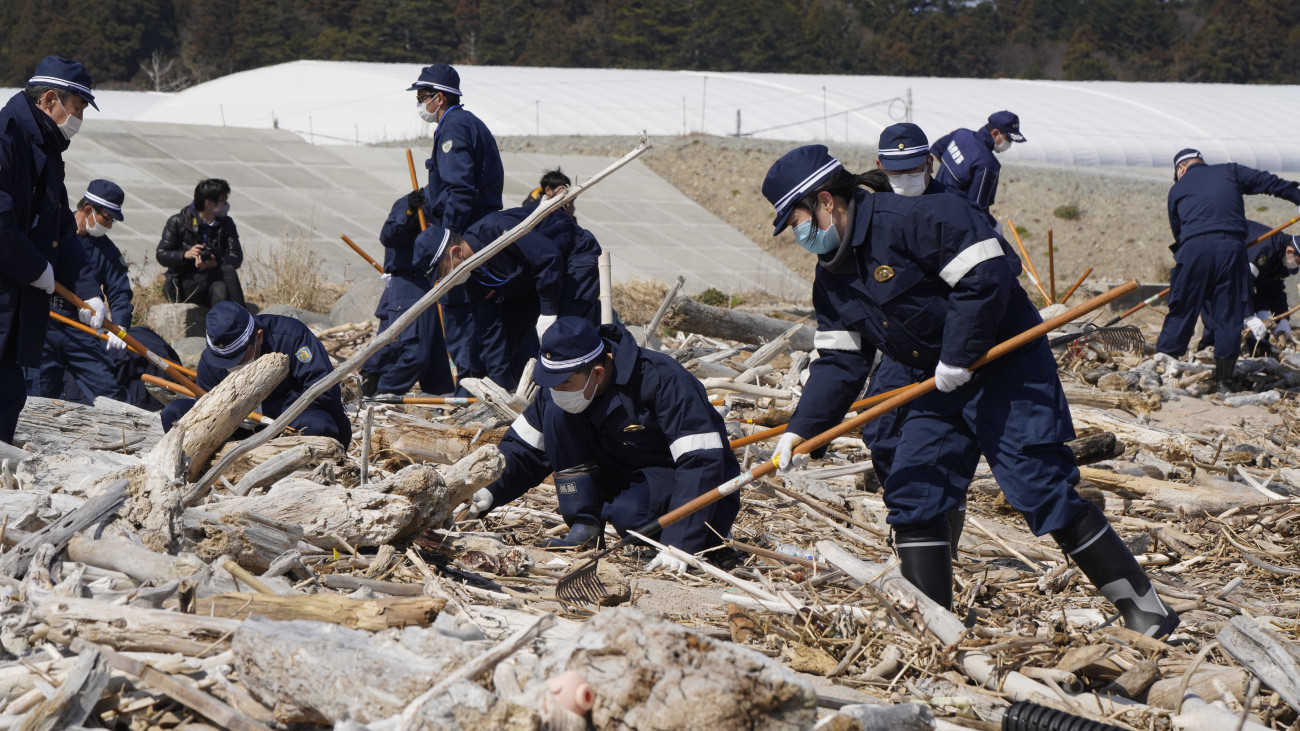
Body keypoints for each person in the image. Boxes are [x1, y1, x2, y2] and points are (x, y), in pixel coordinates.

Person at [762, 145, 1178, 637]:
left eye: (797, 221)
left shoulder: (917, 217)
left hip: (1003, 366)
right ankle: (936, 627)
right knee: (915, 491)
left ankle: (1147, 610)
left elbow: (986, 278)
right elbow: (840, 361)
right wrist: (802, 429)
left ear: (825, 202)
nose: (799, 234)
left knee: (1040, 487)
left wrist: (958, 354)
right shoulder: (832, 278)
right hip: (935, 381)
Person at [455, 317, 739, 559]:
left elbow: (701, 463)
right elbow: (524, 449)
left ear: (598, 373)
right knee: (555, 412)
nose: (556, 390)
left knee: (630, 515)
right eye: (550, 382)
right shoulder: (559, 387)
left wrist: (679, 544)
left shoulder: (663, 380)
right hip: (621, 480)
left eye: (565, 383)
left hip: (687, 491)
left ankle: (698, 541)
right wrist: (484, 491)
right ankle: (585, 528)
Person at [0, 56, 104, 444]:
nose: (79, 120)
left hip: (15, 303)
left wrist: (88, 291)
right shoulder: (6, 138)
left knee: (10, 394)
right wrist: (35, 268)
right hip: (7, 288)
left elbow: (61, 227)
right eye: (77, 108)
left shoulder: (48, 151)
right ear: (49, 100)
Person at [1156, 149, 1300, 393]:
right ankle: (1224, 381)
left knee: (1183, 308)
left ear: (1181, 169)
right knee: (1229, 312)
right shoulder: (1230, 171)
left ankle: (1161, 369)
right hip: (1231, 248)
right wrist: (1297, 196)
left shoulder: (1176, 189)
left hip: (1193, 249)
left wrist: (1192, 256)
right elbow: (1268, 182)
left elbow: (1178, 233)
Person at [419, 205, 603, 391]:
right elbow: (489, 327)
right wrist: (502, 387)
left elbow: (548, 257)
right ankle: (506, 390)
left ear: (456, 252)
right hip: (532, 281)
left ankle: (579, 391)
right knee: (486, 349)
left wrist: (549, 310)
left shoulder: (497, 229)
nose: (445, 280)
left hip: (571, 258)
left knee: (566, 336)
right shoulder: (473, 277)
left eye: (443, 272)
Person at [409, 63, 504, 390]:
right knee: (478, 315)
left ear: (439, 97)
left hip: (464, 236)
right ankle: (482, 385)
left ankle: (470, 389)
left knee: (462, 315)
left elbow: (461, 189)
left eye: (423, 96)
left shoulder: (453, 127)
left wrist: (447, 238)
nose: (420, 103)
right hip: (474, 230)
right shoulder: (465, 123)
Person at [160, 302, 351, 445]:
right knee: (174, 414)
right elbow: (203, 407)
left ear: (258, 338)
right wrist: (230, 414)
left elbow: (324, 394)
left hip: (287, 422)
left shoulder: (292, 337)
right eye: (224, 362)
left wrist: (260, 408)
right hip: (235, 430)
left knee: (317, 426)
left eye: (238, 358)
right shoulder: (210, 359)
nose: (233, 366)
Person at [28, 180, 132, 402]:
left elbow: (120, 291)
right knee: (40, 394)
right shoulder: (53, 232)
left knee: (108, 391)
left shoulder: (108, 252)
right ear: (88, 210)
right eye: (107, 219)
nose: (109, 226)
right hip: (44, 319)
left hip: (81, 326)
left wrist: (120, 325)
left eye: (112, 221)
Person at [358, 192, 455, 397]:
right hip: (410, 281)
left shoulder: (449, 206)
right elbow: (389, 236)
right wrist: (409, 212)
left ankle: (439, 396)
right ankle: (382, 392)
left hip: (431, 282)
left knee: (434, 352)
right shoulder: (415, 204)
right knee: (413, 349)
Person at [1196, 220, 1300, 353]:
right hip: (1213, 263)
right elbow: (1242, 281)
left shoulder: (1283, 258)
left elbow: (1273, 288)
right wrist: (1248, 315)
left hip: (1236, 277)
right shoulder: (1265, 248)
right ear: (1290, 251)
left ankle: (1257, 348)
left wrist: (1282, 320)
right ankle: (1209, 348)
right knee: (1219, 319)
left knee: (1257, 332)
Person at [930, 111, 1026, 231]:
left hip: (931, 206)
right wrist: (994, 226)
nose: (1009, 144)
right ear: (995, 133)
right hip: (951, 223)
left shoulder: (961, 134)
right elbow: (977, 208)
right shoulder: (988, 164)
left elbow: (937, 150)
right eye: (1008, 139)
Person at [156, 178, 245, 307]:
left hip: (211, 279)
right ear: (208, 203)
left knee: (220, 289)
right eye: (223, 200)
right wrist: (186, 255)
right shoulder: (177, 222)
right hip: (184, 283)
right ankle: (244, 317)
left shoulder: (226, 223)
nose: (226, 204)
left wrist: (217, 262)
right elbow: (162, 254)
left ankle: (221, 320)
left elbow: (236, 256)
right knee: (228, 271)